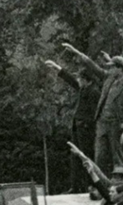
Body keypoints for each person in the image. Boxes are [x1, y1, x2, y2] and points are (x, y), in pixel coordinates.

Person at [44, 44, 106, 191]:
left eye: (80, 78)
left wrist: (89, 125)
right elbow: (71, 80)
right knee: (75, 157)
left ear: (87, 80)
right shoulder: (84, 88)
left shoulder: (94, 92)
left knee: (86, 156)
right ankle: (76, 186)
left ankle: (92, 185)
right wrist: (57, 68)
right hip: (78, 126)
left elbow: (96, 113)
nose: (78, 80)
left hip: (86, 127)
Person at [91, 56, 123, 176]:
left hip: (116, 125)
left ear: (120, 69)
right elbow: (93, 67)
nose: (110, 70)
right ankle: (100, 183)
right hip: (102, 123)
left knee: (119, 158)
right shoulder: (109, 81)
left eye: (112, 67)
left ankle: (121, 183)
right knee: (99, 156)